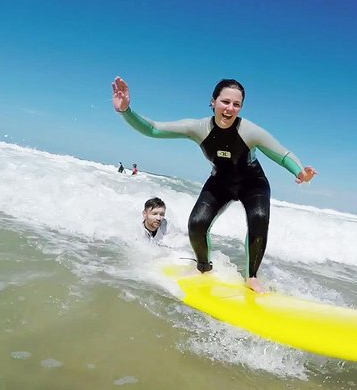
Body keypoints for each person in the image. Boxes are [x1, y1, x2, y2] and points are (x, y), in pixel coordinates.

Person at [112, 76, 317, 292]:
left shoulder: (249, 131)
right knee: (197, 223)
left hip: (253, 183)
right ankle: (203, 268)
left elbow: (282, 154)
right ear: (213, 102)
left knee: (259, 218)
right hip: (221, 181)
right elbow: (153, 129)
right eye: (225, 102)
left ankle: (252, 277)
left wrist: (300, 172)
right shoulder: (198, 128)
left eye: (236, 104)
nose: (230, 108)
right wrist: (126, 111)